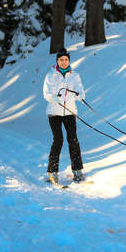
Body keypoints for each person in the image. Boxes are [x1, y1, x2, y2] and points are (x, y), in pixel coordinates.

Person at [43, 48, 86, 184]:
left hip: (70, 112)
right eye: (61, 60)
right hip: (54, 113)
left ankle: (77, 171)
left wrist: (79, 95)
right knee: (58, 140)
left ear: (69, 61)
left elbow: (81, 92)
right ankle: (52, 172)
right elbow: (46, 93)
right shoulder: (51, 75)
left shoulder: (75, 75)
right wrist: (54, 98)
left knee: (73, 140)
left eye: (66, 59)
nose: (64, 62)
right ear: (57, 61)